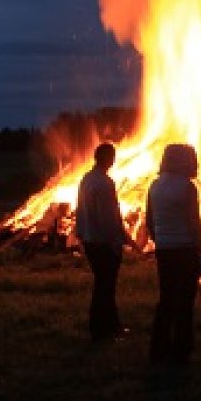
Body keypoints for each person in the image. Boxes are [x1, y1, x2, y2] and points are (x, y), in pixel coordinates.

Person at [145, 143, 201, 367]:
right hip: (185, 249)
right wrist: (200, 253)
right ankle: (182, 349)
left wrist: (160, 238)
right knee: (185, 302)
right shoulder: (187, 187)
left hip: (164, 249)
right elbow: (194, 222)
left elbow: (149, 220)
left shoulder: (155, 186)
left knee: (166, 299)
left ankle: (158, 348)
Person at [75, 142, 134, 342]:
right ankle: (101, 329)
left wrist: (81, 234)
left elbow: (82, 211)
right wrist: (118, 241)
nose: (114, 160)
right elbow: (109, 217)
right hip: (103, 242)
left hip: (90, 239)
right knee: (105, 286)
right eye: (112, 156)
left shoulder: (86, 179)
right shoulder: (105, 183)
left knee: (103, 284)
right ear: (108, 159)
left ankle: (110, 325)